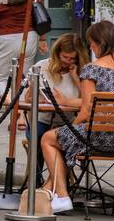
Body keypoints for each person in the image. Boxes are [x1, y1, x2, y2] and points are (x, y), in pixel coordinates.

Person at [40, 21, 114, 215]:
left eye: (91, 43)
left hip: (98, 138)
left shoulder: (92, 69)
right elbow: (103, 102)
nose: (90, 47)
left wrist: (70, 131)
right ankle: (47, 189)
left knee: (49, 138)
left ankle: (61, 195)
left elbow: (86, 111)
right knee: (64, 139)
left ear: (99, 42)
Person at [18, 33, 86, 181]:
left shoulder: (83, 73)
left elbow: (87, 100)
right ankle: (36, 182)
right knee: (37, 134)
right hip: (42, 119)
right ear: (57, 54)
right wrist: (35, 96)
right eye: (64, 57)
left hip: (68, 122)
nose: (67, 62)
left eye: (72, 58)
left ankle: (56, 183)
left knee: (55, 137)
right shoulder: (41, 67)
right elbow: (26, 99)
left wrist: (75, 78)